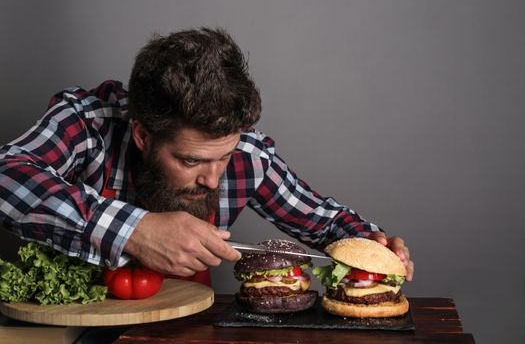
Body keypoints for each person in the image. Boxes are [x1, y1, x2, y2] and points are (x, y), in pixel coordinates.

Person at [0, 27, 414, 286]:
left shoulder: (246, 156)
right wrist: (134, 230)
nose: (213, 180)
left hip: (184, 326)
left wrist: (371, 243)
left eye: (224, 156)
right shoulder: (88, 122)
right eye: (191, 161)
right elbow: (7, 175)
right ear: (143, 134)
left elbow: (327, 223)